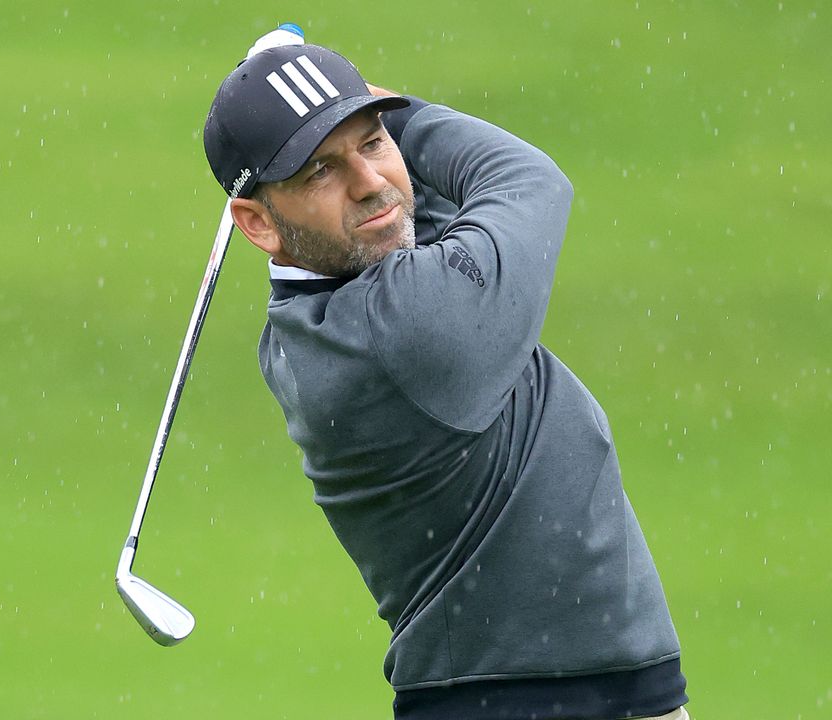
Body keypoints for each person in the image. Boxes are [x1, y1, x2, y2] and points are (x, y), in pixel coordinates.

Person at [203, 34, 690, 720]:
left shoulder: (309, 321)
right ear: (256, 224)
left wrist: (324, 115)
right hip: (544, 699)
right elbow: (527, 181)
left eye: (372, 144)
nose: (369, 182)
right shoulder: (410, 328)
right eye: (319, 171)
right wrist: (395, 117)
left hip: (525, 690)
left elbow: (398, 222)